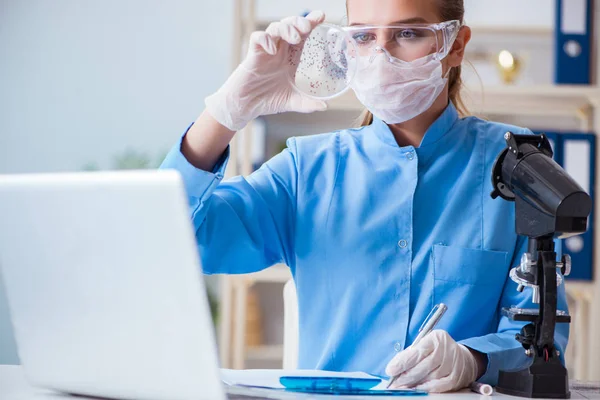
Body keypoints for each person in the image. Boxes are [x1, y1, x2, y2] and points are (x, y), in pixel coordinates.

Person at [160, 0, 569, 393]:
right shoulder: (308, 170)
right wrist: (227, 110)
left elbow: (541, 338)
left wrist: (474, 359)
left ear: (455, 45)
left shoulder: (516, 166)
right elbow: (178, 241)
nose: (380, 56)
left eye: (407, 33)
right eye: (362, 37)